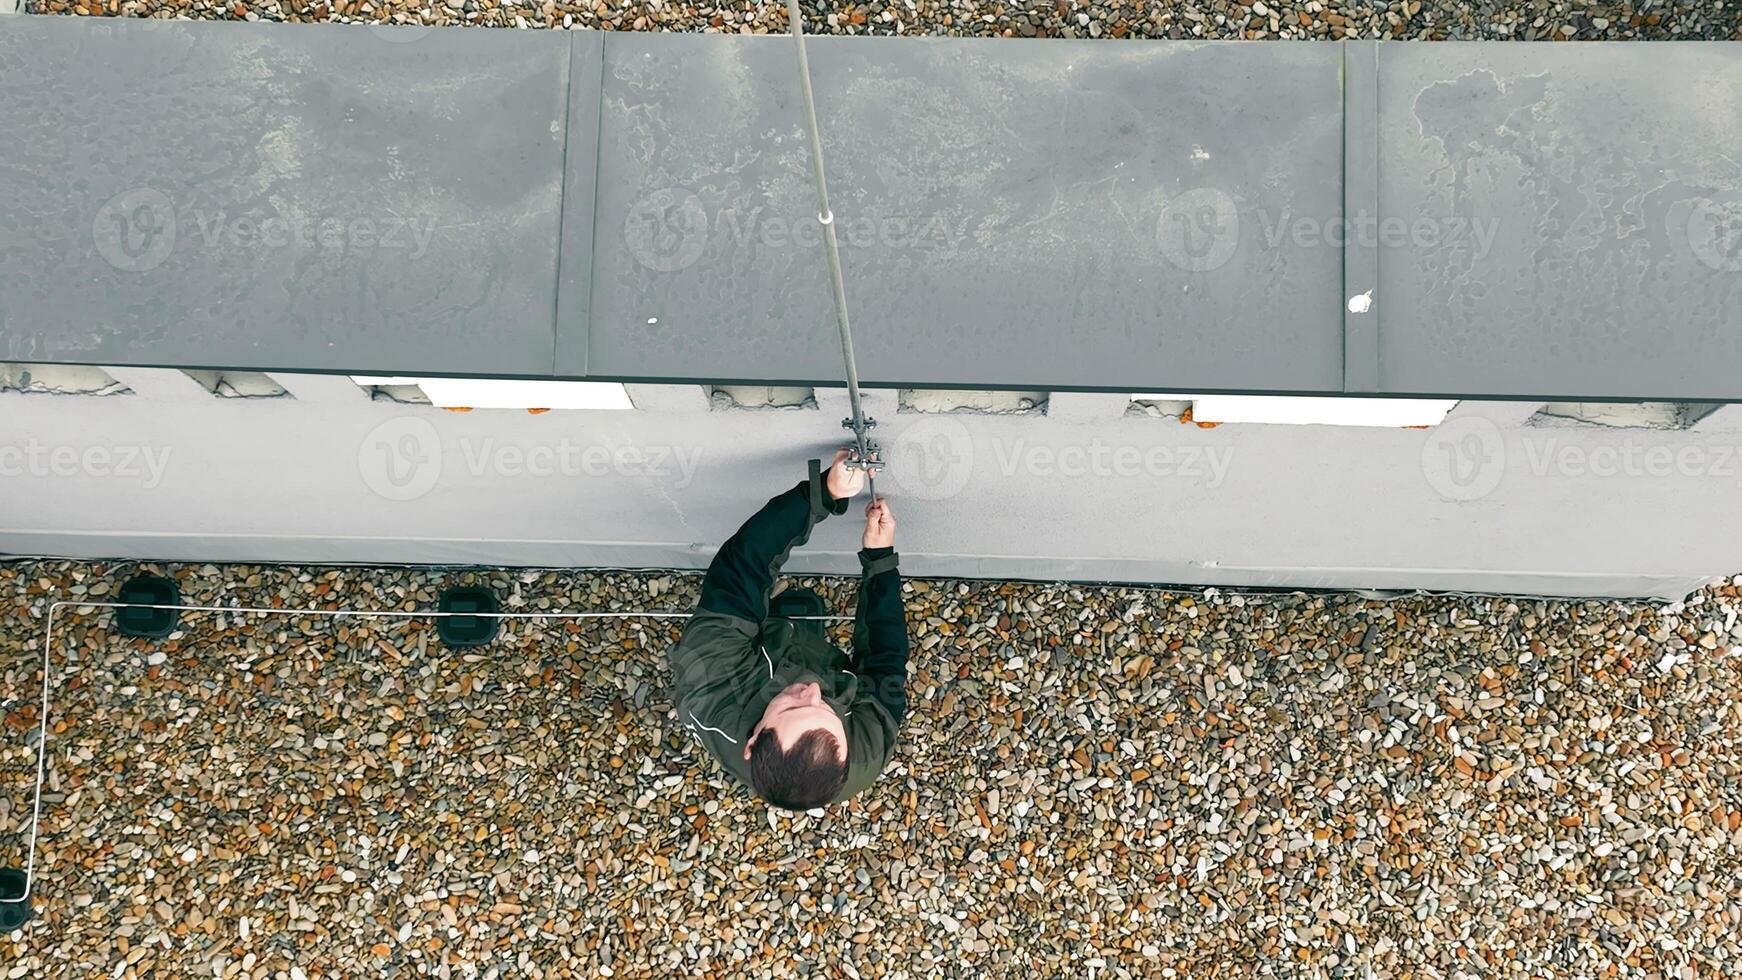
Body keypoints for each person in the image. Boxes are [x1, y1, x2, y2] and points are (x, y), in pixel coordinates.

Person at [667, 451, 908, 810]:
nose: (812, 690)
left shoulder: (710, 683)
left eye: (794, 706)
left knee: (741, 603)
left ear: (752, 743)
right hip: (776, 678)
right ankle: (791, 640)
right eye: (826, 708)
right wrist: (880, 559)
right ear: (845, 754)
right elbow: (885, 659)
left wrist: (823, 492)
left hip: (742, 668)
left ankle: (776, 629)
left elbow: (745, 563)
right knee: (806, 643)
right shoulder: (865, 753)